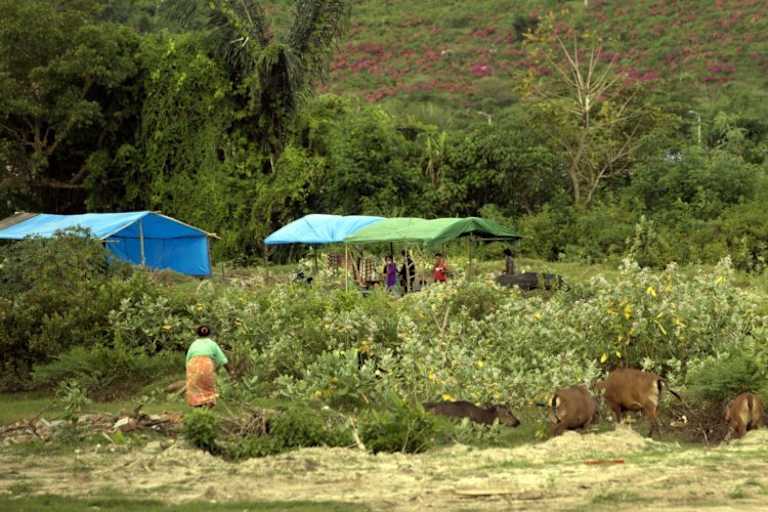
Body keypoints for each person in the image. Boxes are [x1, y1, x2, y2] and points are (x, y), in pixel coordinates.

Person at [185, 325, 230, 408]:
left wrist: (189, 372)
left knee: (195, 387)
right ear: (210, 334)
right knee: (208, 387)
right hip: (206, 365)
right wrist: (230, 371)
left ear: (197, 334)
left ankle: (197, 408)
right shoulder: (212, 344)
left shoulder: (194, 344)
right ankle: (207, 407)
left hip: (193, 365)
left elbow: (188, 359)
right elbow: (223, 360)